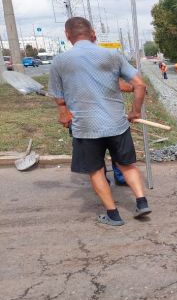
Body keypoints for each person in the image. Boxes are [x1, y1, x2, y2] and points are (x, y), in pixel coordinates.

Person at [49, 17, 150, 226]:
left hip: (86, 127)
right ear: (92, 33)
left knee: (96, 171)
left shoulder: (60, 61)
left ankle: (113, 215)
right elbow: (139, 85)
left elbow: (59, 99)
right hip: (116, 123)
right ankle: (141, 202)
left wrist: (64, 114)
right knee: (126, 165)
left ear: (68, 36)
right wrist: (135, 111)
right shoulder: (112, 55)